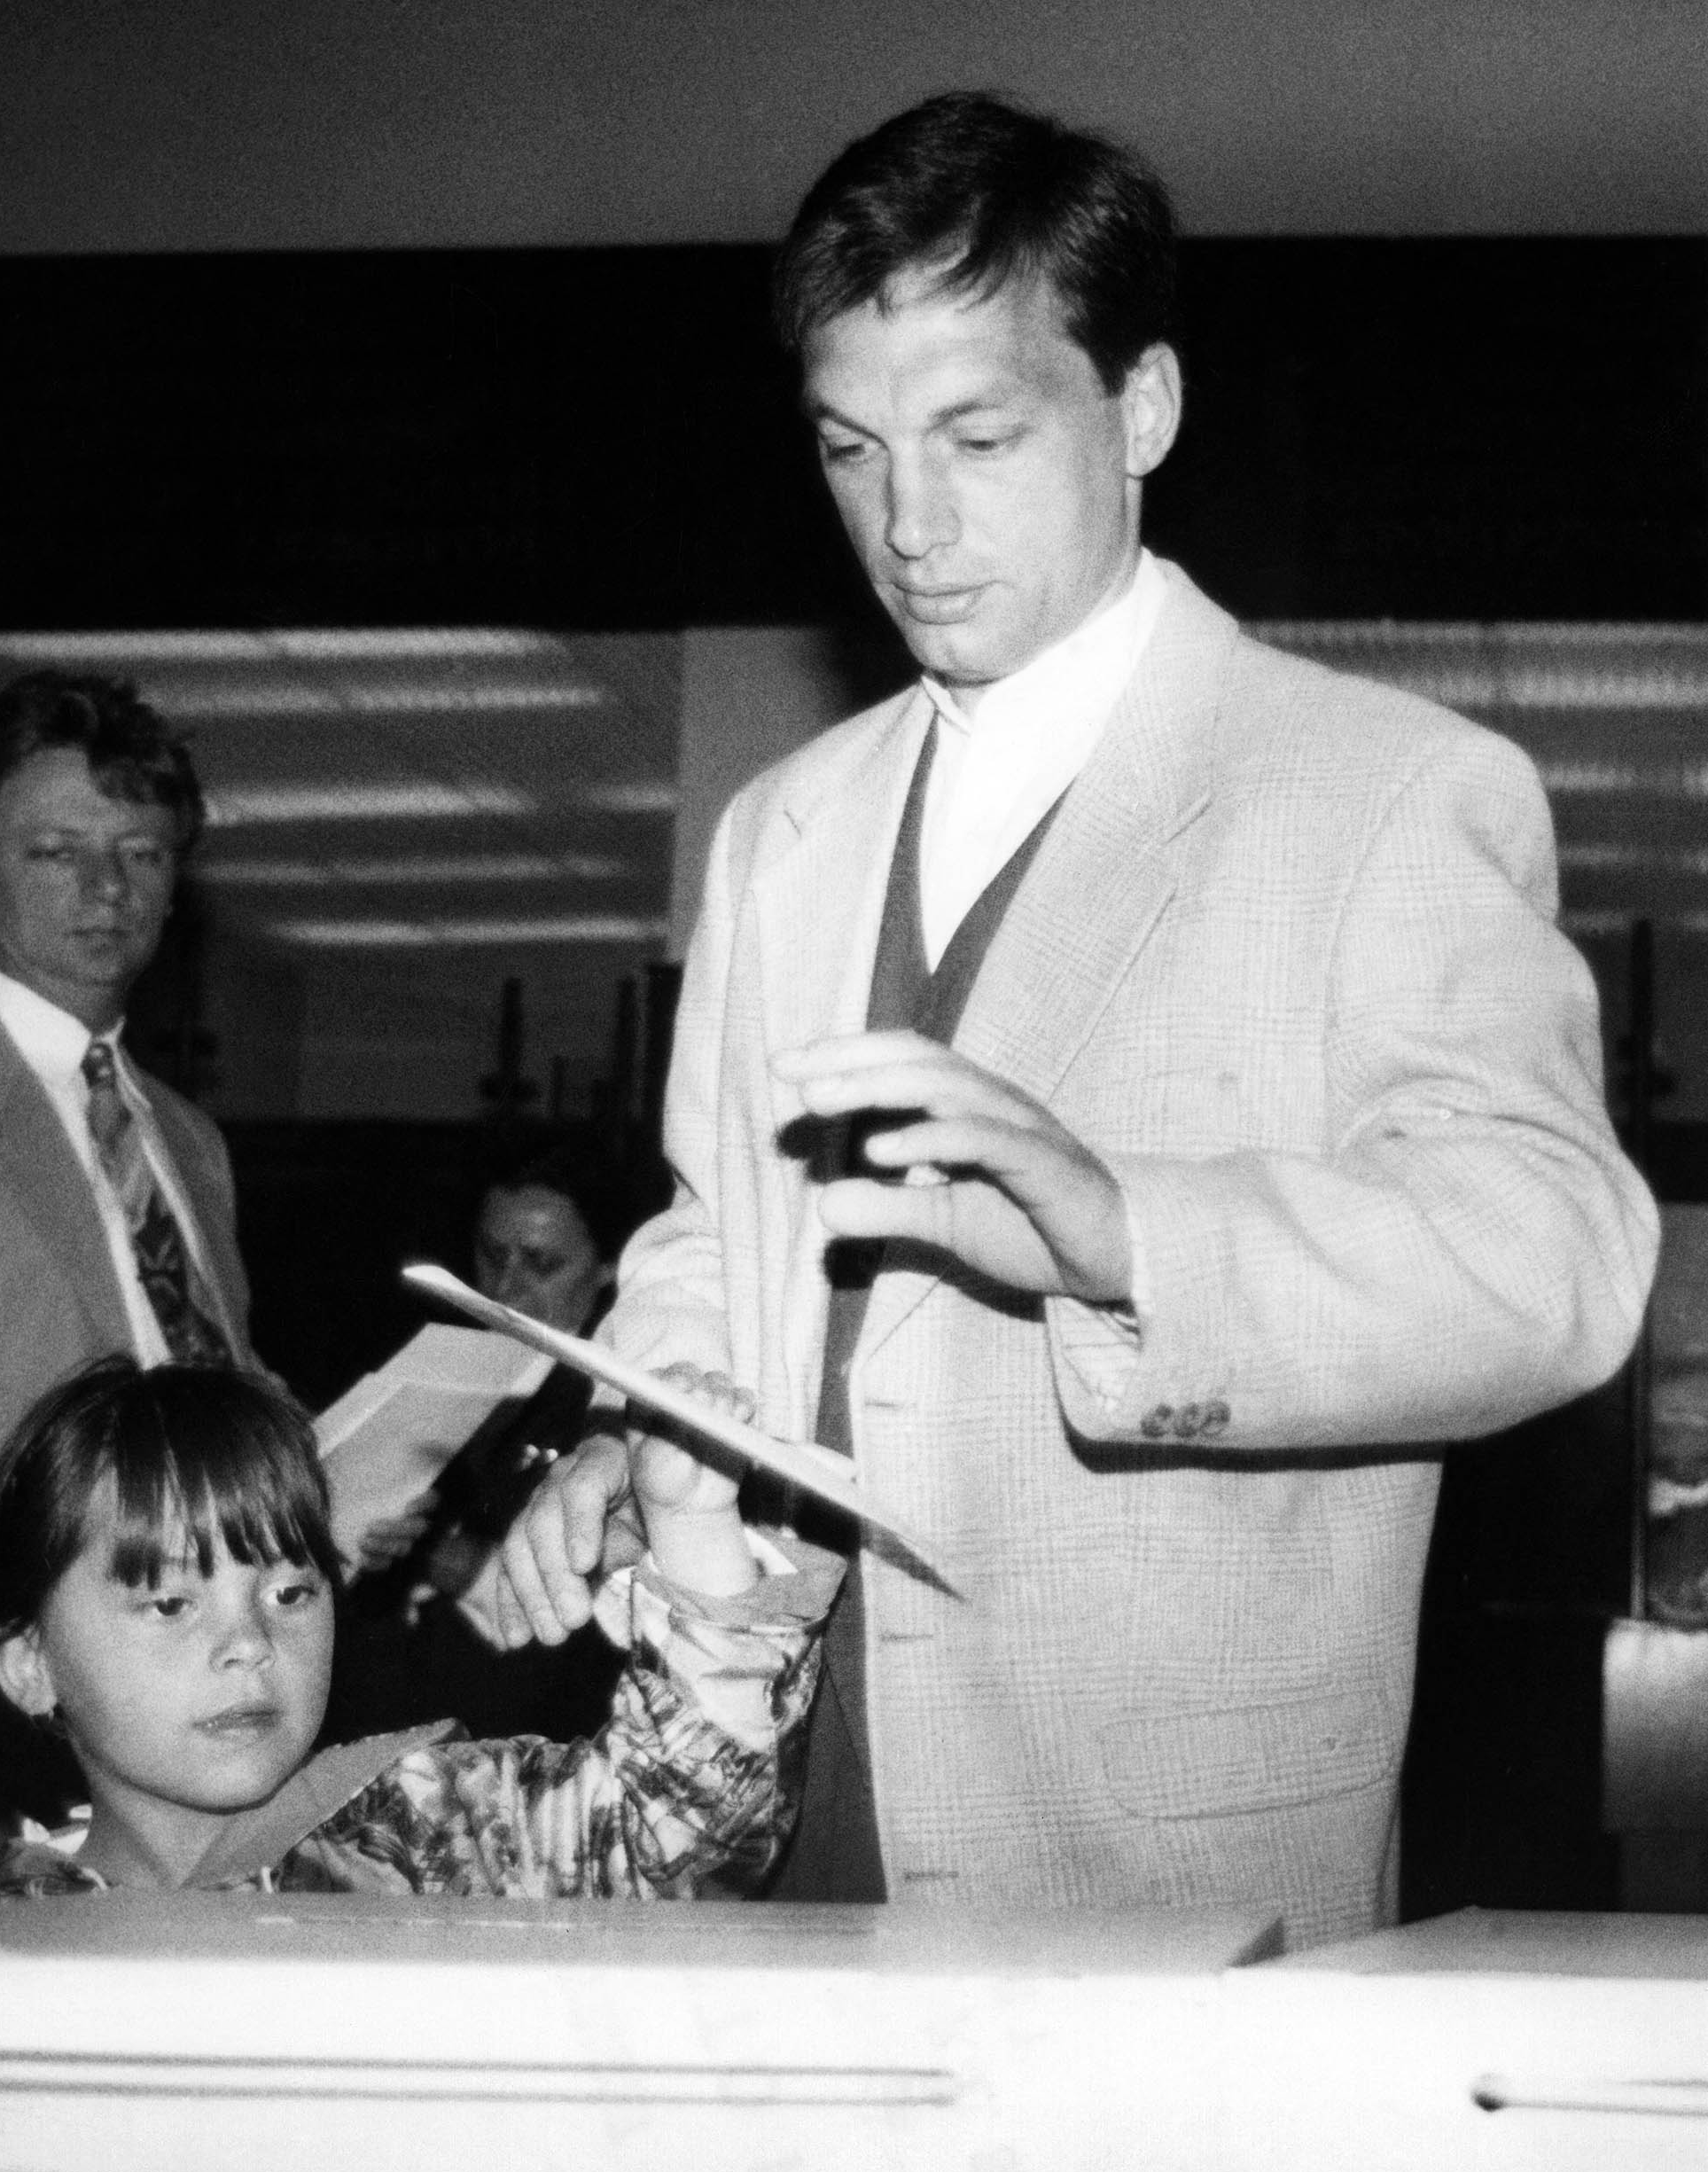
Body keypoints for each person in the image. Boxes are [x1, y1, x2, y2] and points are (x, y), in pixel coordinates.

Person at [494, 91, 1659, 1949]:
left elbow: (1556, 1266)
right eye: (851, 449)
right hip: (748, 1777)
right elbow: (721, 1228)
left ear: (1143, 411)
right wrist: (652, 1433)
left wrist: (1123, 1233)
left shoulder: (1384, 792)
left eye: (976, 434)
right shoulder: (781, 829)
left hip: (1159, 1848)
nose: (909, 523)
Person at [0, 671, 265, 1899]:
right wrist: (117, 1497)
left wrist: (303, 1471)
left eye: (141, 850)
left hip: (175, 1733)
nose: (106, 886)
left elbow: (200, 1378)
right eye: (55, 849)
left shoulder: (185, 1137)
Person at [0, 1357, 832, 1897]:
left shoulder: (430, 1824)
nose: (251, 1645)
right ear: (28, 1664)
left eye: (291, 1594)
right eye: (173, 1604)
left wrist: (690, 1526)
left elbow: (684, 1836)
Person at [331, 1137, 651, 1745]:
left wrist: (470, 1570)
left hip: (534, 1733)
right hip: (386, 1710)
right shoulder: (436, 1357)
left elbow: (624, 1619)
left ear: (608, 1267)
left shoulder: (616, 1404)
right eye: (491, 1254)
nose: (505, 1288)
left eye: (541, 1263)